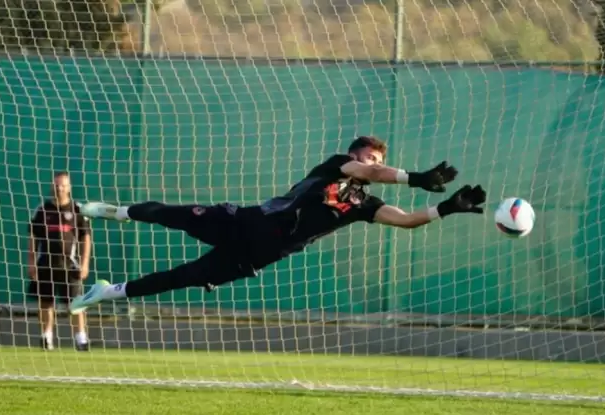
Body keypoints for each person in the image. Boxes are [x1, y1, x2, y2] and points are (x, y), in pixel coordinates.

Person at [68, 136, 485, 315]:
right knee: (173, 215)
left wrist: (444, 209)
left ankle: (109, 291)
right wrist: (413, 178)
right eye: (368, 157)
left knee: (186, 277)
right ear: (354, 156)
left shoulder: (363, 204)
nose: (372, 164)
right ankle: (114, 211)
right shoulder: (334, 166)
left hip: (261, 254)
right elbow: (372, 173)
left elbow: (407, 220)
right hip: (246, 223)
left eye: (377, 159)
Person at [27, 171, 93, 351]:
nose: (59, 188)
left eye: (63, 185)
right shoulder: (42, 210)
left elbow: (86, 238)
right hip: (46, 263)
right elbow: (33, 237)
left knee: (76, 303)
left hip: (71, 265)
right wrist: (31, 262)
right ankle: (46, 337)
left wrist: (85, 263)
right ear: (52, 186)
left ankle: (81, 339)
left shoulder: (78, 210)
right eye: (56, 185)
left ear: (69, 187)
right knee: (46, 302)